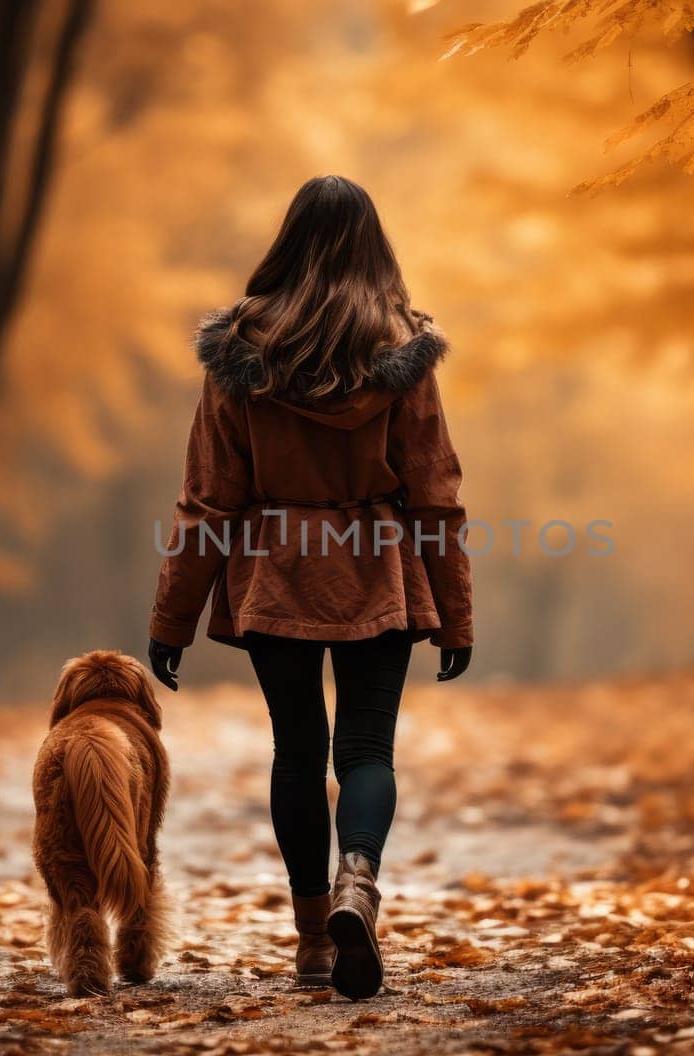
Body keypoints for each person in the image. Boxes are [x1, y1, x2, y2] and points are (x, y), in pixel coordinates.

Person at [147, 175, 473, 1001]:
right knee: (365, 750)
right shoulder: (402, 352)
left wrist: (173, 617)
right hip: (378, 569)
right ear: (375, 246)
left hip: (274, 572)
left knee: (297, 750)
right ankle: (359, 879)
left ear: (287, 241)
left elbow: (209, 496)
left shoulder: (241, 351)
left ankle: (311, 942)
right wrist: (456, 614)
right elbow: (436, 491)